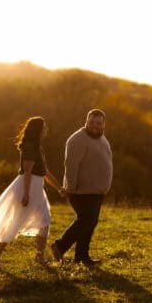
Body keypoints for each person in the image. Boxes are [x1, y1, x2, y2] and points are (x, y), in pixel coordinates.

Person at [0, 116, 65, 269]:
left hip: (36, 187)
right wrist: (26, 194)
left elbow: (44, 171)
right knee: (15, 222)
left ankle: (39, 256)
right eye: (44, 127)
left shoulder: (38, 147)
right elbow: (28, 171)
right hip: (27, 187)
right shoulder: (30, 146)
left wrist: (58, 187)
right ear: (38, 129)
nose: (46, 130)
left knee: (45, 220)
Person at [50, 109, 113, 266]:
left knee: (90, 222)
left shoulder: (102, 139)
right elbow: (71, 166)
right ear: (86, 122)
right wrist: (70, 188)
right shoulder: (77, 139)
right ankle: (60, 246)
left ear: (104, 125)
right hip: (81, 191)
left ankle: (82, 257)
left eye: (99, 123)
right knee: (87, 220)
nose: (95, 126)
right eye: (92, 122)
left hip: (97, 191)